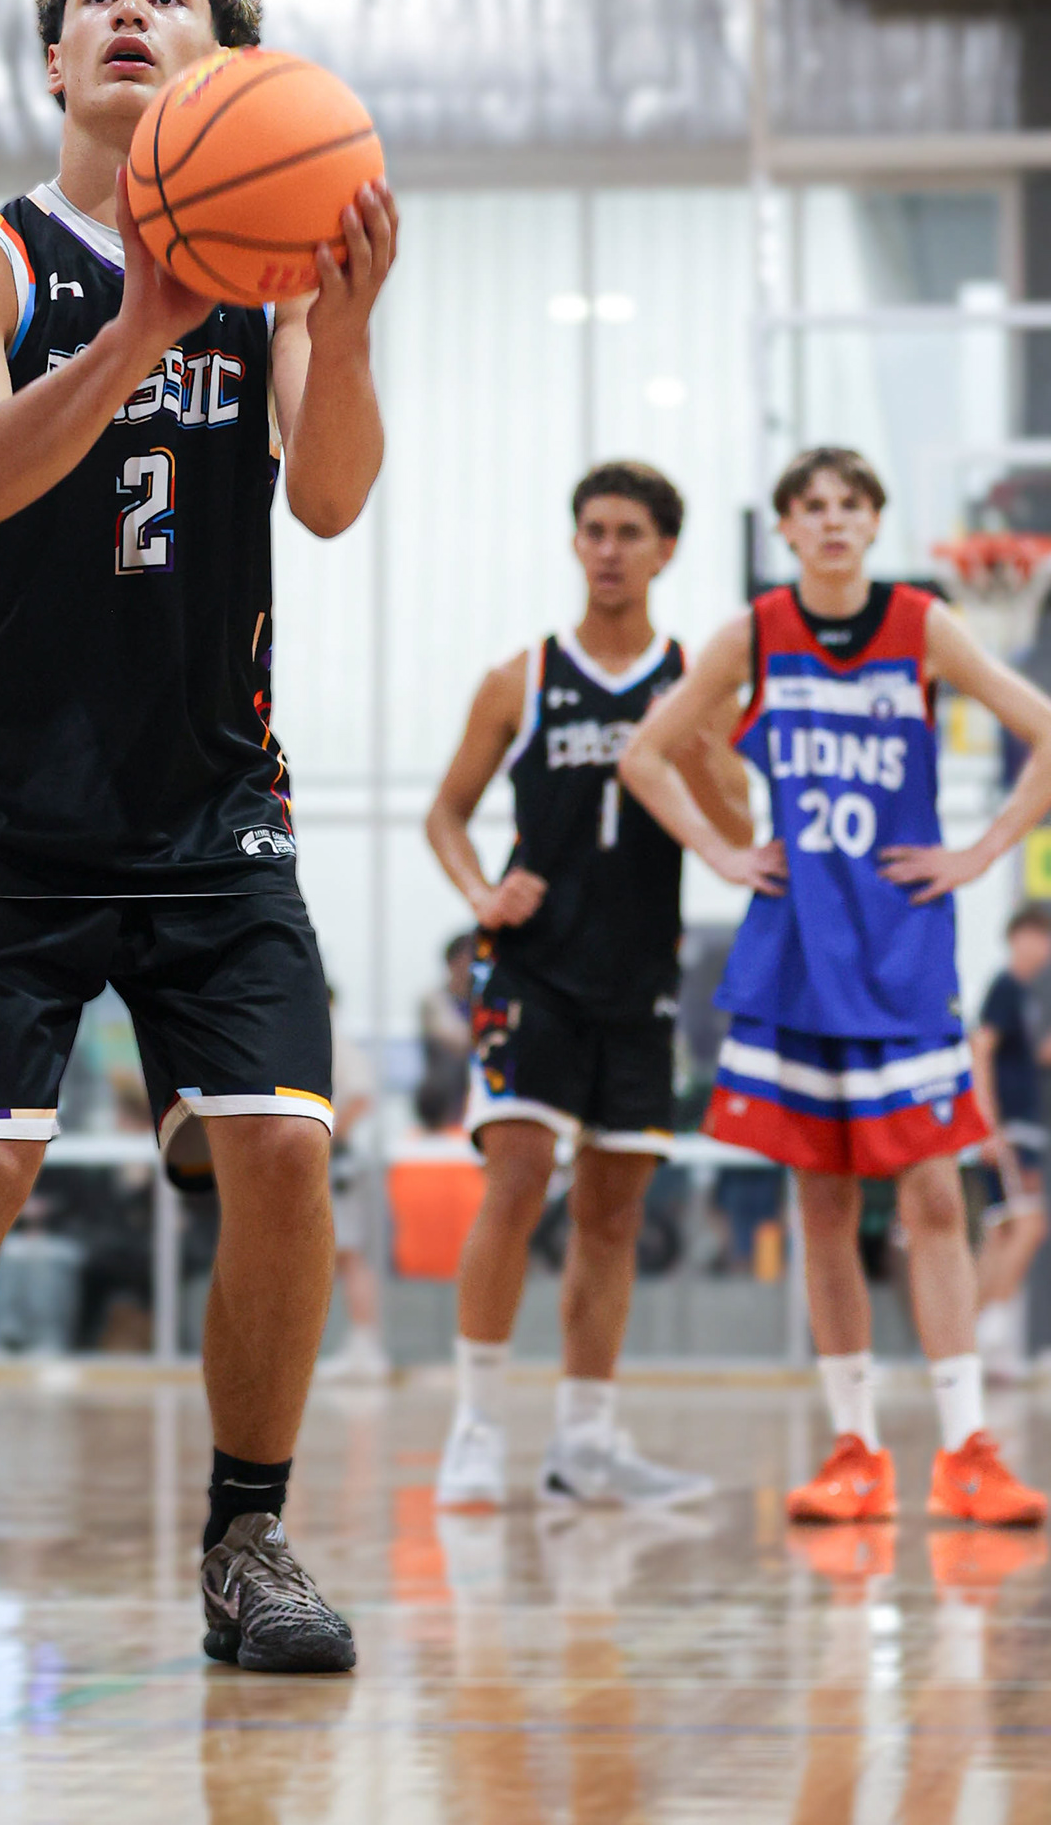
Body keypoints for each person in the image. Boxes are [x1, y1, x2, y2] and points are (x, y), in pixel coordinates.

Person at [0, 0, 395, 1676]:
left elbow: (330, 499)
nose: (132, 12)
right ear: (56, 62)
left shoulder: (271, 275)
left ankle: (249, 1542)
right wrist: (139, 330)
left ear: (227, 62)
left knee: (285, 1147)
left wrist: (351, 325)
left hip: (206, 794)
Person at [621, 445, 1051, 1527]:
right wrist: (724, 857)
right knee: (823, 1201)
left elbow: (1044, 730)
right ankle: (855, 1447)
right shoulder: (757, 631)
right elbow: (645, 755)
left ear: (873, 522)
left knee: (935, 1195)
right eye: (811, 506)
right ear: (788, 527)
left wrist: (981, 852)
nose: (830, 520)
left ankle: (967, 1450)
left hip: (904, 949)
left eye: (849, 504)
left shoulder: (922, 625)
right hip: (800, 948)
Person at [425, 460, 751, 1509]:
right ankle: (476, 1428)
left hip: (642, 976)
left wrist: (697, 748)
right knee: (518, 1178)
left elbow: (739, 830)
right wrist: (481, 890)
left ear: (665, 550)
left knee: (613, 1215)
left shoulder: (696, 681)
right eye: (594, 530)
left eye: (629, 533)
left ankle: (586, 1443)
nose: (608, 550)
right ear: (576, 543)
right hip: (535, 970)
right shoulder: (519, 678)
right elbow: (445, 813)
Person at [970, 905, 1051, 1382]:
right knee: (1030, 1225)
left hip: (1024, 1127)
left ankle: (973, 1342)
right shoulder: (1005, 987)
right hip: (1009, 1130)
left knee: (1000, 1232)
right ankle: (990, 1329)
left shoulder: (1031, 996)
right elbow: (980, 1049)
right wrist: (986, 1124)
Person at [316, 1012, 389, 1381]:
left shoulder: (333, 1042)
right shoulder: (328, 1041)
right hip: (332, 1161)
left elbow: (361, 1098)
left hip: (337, 1164)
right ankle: (360, 1345)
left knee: (349, 1256)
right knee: (342, 1257)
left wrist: (324, 1139)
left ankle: (365, 1345)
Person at [416, 932, 476, 1128]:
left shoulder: (480, 1000)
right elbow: (456, 1040)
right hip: (444, 1098)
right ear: (452, 963)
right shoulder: (433, 1000)